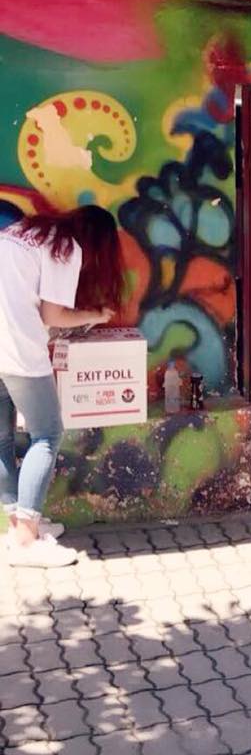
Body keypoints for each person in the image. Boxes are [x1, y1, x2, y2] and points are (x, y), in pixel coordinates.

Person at [1, 206, 123, 567]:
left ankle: (17, 526)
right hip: (19, 351)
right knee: (47, 434)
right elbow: (52, 316)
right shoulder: (65, 247)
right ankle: (26, 541)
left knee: (2, 440)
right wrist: (95, 314)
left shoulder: (20, 234)